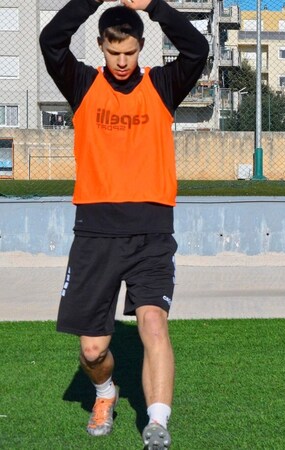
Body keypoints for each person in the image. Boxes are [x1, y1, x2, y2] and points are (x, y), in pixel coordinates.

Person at [39, 0, 208, 447]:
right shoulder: (83, 83)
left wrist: (154, 6)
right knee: (92, 349)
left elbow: (197, 49)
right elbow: (50, 41)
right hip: (95, 231)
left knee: (153, 322)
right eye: (114, 52)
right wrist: (90, 3)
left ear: (141, 47)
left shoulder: (162, 85)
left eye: (130, 52)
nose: (122, 62)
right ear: (101, 47)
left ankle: (157, 422)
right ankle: (104, 391)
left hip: (152, 230)